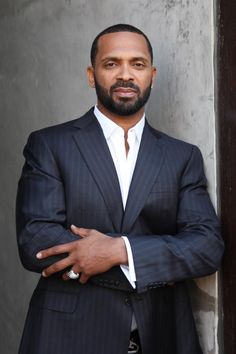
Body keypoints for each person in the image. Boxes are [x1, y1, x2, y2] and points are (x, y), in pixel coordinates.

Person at [16, 24, 224, 354]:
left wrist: (120, 251)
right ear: (91, 74)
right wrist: (160, 261)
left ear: (152, 75)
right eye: (111, 64)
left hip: (160, 333)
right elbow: (36, 240)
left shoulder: (182, 156)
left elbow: (206, 247)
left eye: (137, 64)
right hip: (67, 334)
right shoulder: (50, 145)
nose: (125, 75)